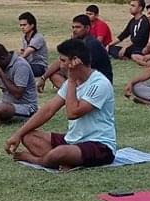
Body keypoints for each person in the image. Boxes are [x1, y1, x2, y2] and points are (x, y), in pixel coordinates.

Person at [6, 38, 117, 169]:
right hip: (72, 141)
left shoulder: (99, 83)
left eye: (63, 60)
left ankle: (38, 160)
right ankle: (63, 161)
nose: (60, 65)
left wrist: (71, 80)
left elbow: (73, 113)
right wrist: (18, 134)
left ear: (75, 61)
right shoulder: (73, 81)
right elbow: (48, 110)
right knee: (28, 136)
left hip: (99, 145)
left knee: (61, 152)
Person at [43, 13, 113, 91]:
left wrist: (65, 68)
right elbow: (61, 60)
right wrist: (43, 78)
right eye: (73, 27)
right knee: (54, 74)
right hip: (84, 77)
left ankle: (74, 91)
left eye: (78, 27)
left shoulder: (92, 44)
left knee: (66, 67)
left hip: (98, 81)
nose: (74, 30)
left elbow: (82, 67)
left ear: (87, 28)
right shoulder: (78, 41)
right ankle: (72, 91)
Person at [13, 11, 50, 78]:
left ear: (32, 25)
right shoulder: (25, 38)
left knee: (19, 68)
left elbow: (25, 54)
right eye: (21, 25)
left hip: (39, 66)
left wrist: (12, 61)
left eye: (24, 25)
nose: (22, 27)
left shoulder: (38, 38)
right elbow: (22, 53)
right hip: (28, 64)